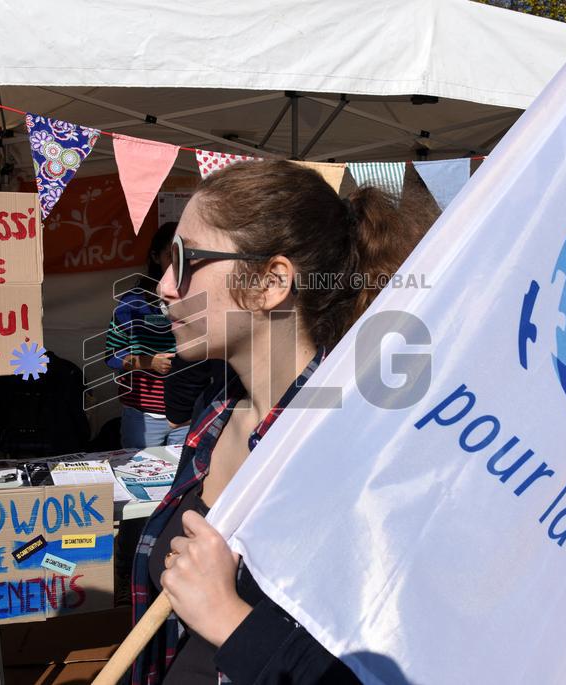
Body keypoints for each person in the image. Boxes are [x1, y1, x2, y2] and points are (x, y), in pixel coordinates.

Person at [131, 160, 436, 684]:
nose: (164, 285)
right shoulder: (216, 406)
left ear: (272, 281)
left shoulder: (348, 453)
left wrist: (229, 619)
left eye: (185, 261)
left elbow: (385, 666)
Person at [105, 222, 182, 448]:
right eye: (171, 255)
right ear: (155, 257)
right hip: (144, 417)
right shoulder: (132, 303)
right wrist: (149, 363)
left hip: (187, 415)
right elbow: (112, 356)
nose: (178, 263)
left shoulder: (200, 300)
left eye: (185, 256)